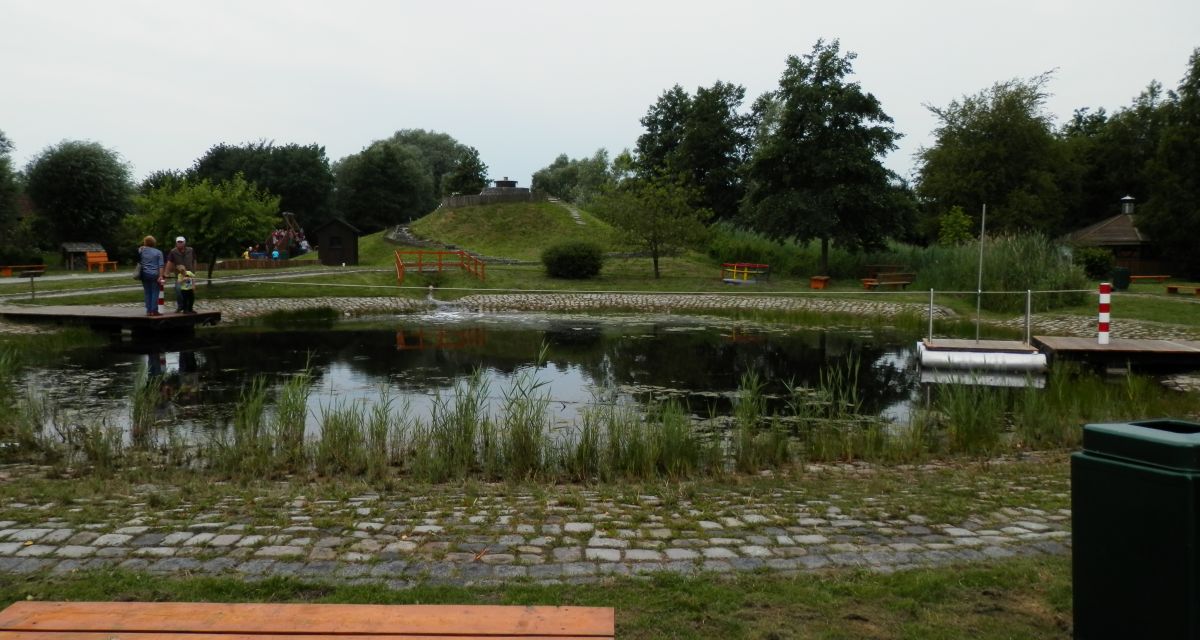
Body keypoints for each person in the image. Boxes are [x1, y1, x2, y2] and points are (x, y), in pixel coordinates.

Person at [164, 236, 197, 313]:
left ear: (184, 243)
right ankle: (181, 306)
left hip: (189, 274)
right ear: (176, 243)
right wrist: (166, 273)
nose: (179, 243)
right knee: (179, 290)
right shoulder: (173, 252)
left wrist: (194, 271)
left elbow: (194, 260)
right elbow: (169, 262)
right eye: (178, 242)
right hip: (179, 275)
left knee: (190, 292)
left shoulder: (191, 250)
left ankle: (189, 308)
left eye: (181, 242)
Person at [137, 236, 164, 316]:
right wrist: (161, 276)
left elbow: (139, 252)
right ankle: (154, 310)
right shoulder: (158, 252)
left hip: (144, 274)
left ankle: (148, 311)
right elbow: (161, 265)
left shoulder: (141, 250)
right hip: (154, 274)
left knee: (147, 292)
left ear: (145, 242)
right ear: (154, 242)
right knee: (155, 292)